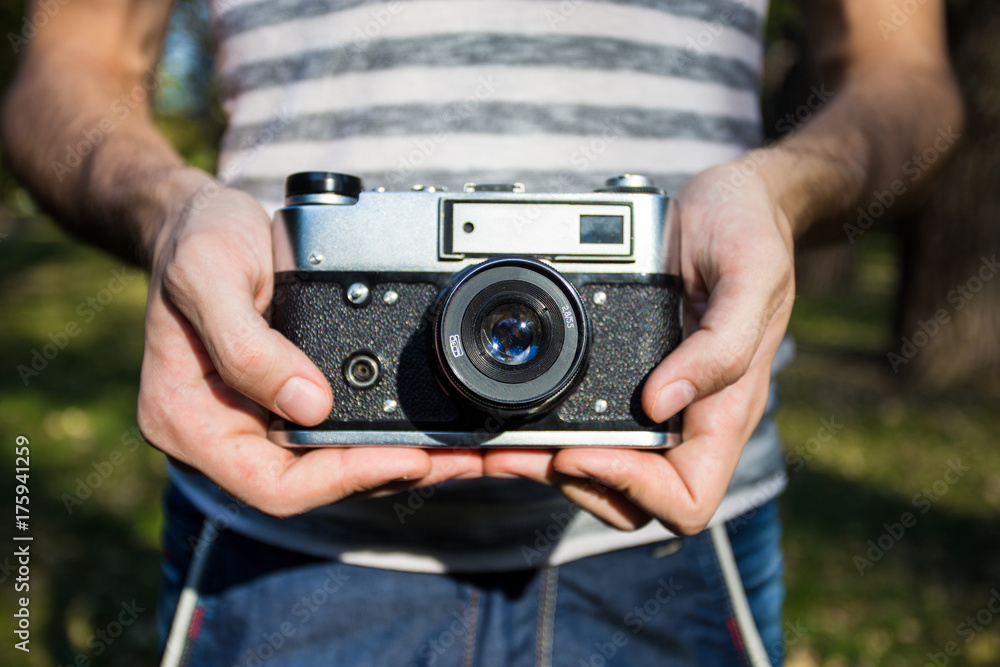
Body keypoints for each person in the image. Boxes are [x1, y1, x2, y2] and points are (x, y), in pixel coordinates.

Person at [2, 0, 961, 665]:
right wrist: (169, 209)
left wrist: (779, 197)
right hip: (280, 532)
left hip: (686, 516)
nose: (501, 325)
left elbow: (905, 79)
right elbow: (68, 69)